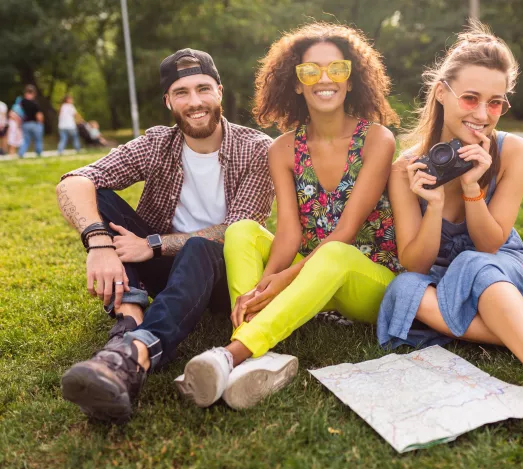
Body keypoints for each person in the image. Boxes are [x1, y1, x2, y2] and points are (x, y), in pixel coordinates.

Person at [377, 21, 523, 451]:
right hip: (437, 275)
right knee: (403, 289)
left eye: (496, 103)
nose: (482, 115)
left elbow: (489, 243)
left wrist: (472, 189)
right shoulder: (405, 167)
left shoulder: (515, 151)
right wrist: (431, 206)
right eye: (470, 98)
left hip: (499, 264)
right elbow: (415, 263)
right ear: (442, 93)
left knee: (473, 262)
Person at [175, 23, 402, 411]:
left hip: (369, 279)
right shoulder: (282, 149)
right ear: (296, 84)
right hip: (312, 273)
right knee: (243, 230)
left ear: (352, 80)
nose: (324, 79)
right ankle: (254, 354)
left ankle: (231, 355)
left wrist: (281, 280)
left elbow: (345, 232)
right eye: (310, 71)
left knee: (334, 253)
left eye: (337, 69)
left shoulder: (377, 139)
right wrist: (262, 287)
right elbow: (289, 236)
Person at [56, 48, 275, 423]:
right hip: (163, 265)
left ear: (219, 91)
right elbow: (74, 182)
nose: (195, 102)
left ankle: (134, 355)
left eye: (203, 89)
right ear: (168, 101)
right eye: (181, 93)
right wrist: (99, 242)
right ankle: (130, 317)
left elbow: (237, 227)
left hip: (224, 274)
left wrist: (153, 244)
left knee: (201, 246)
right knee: (101, 198)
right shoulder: (157, 143)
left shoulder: (257, 149)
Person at [18, 85, 44, 158]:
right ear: (33, 93)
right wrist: (41, 124)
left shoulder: (22, 102)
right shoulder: (34, 103)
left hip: (25, 124)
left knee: (26, 140)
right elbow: (39, 115)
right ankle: (38, 154)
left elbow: (17, 112)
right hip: (34, 123)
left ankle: (21, 153)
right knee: (38, 140)